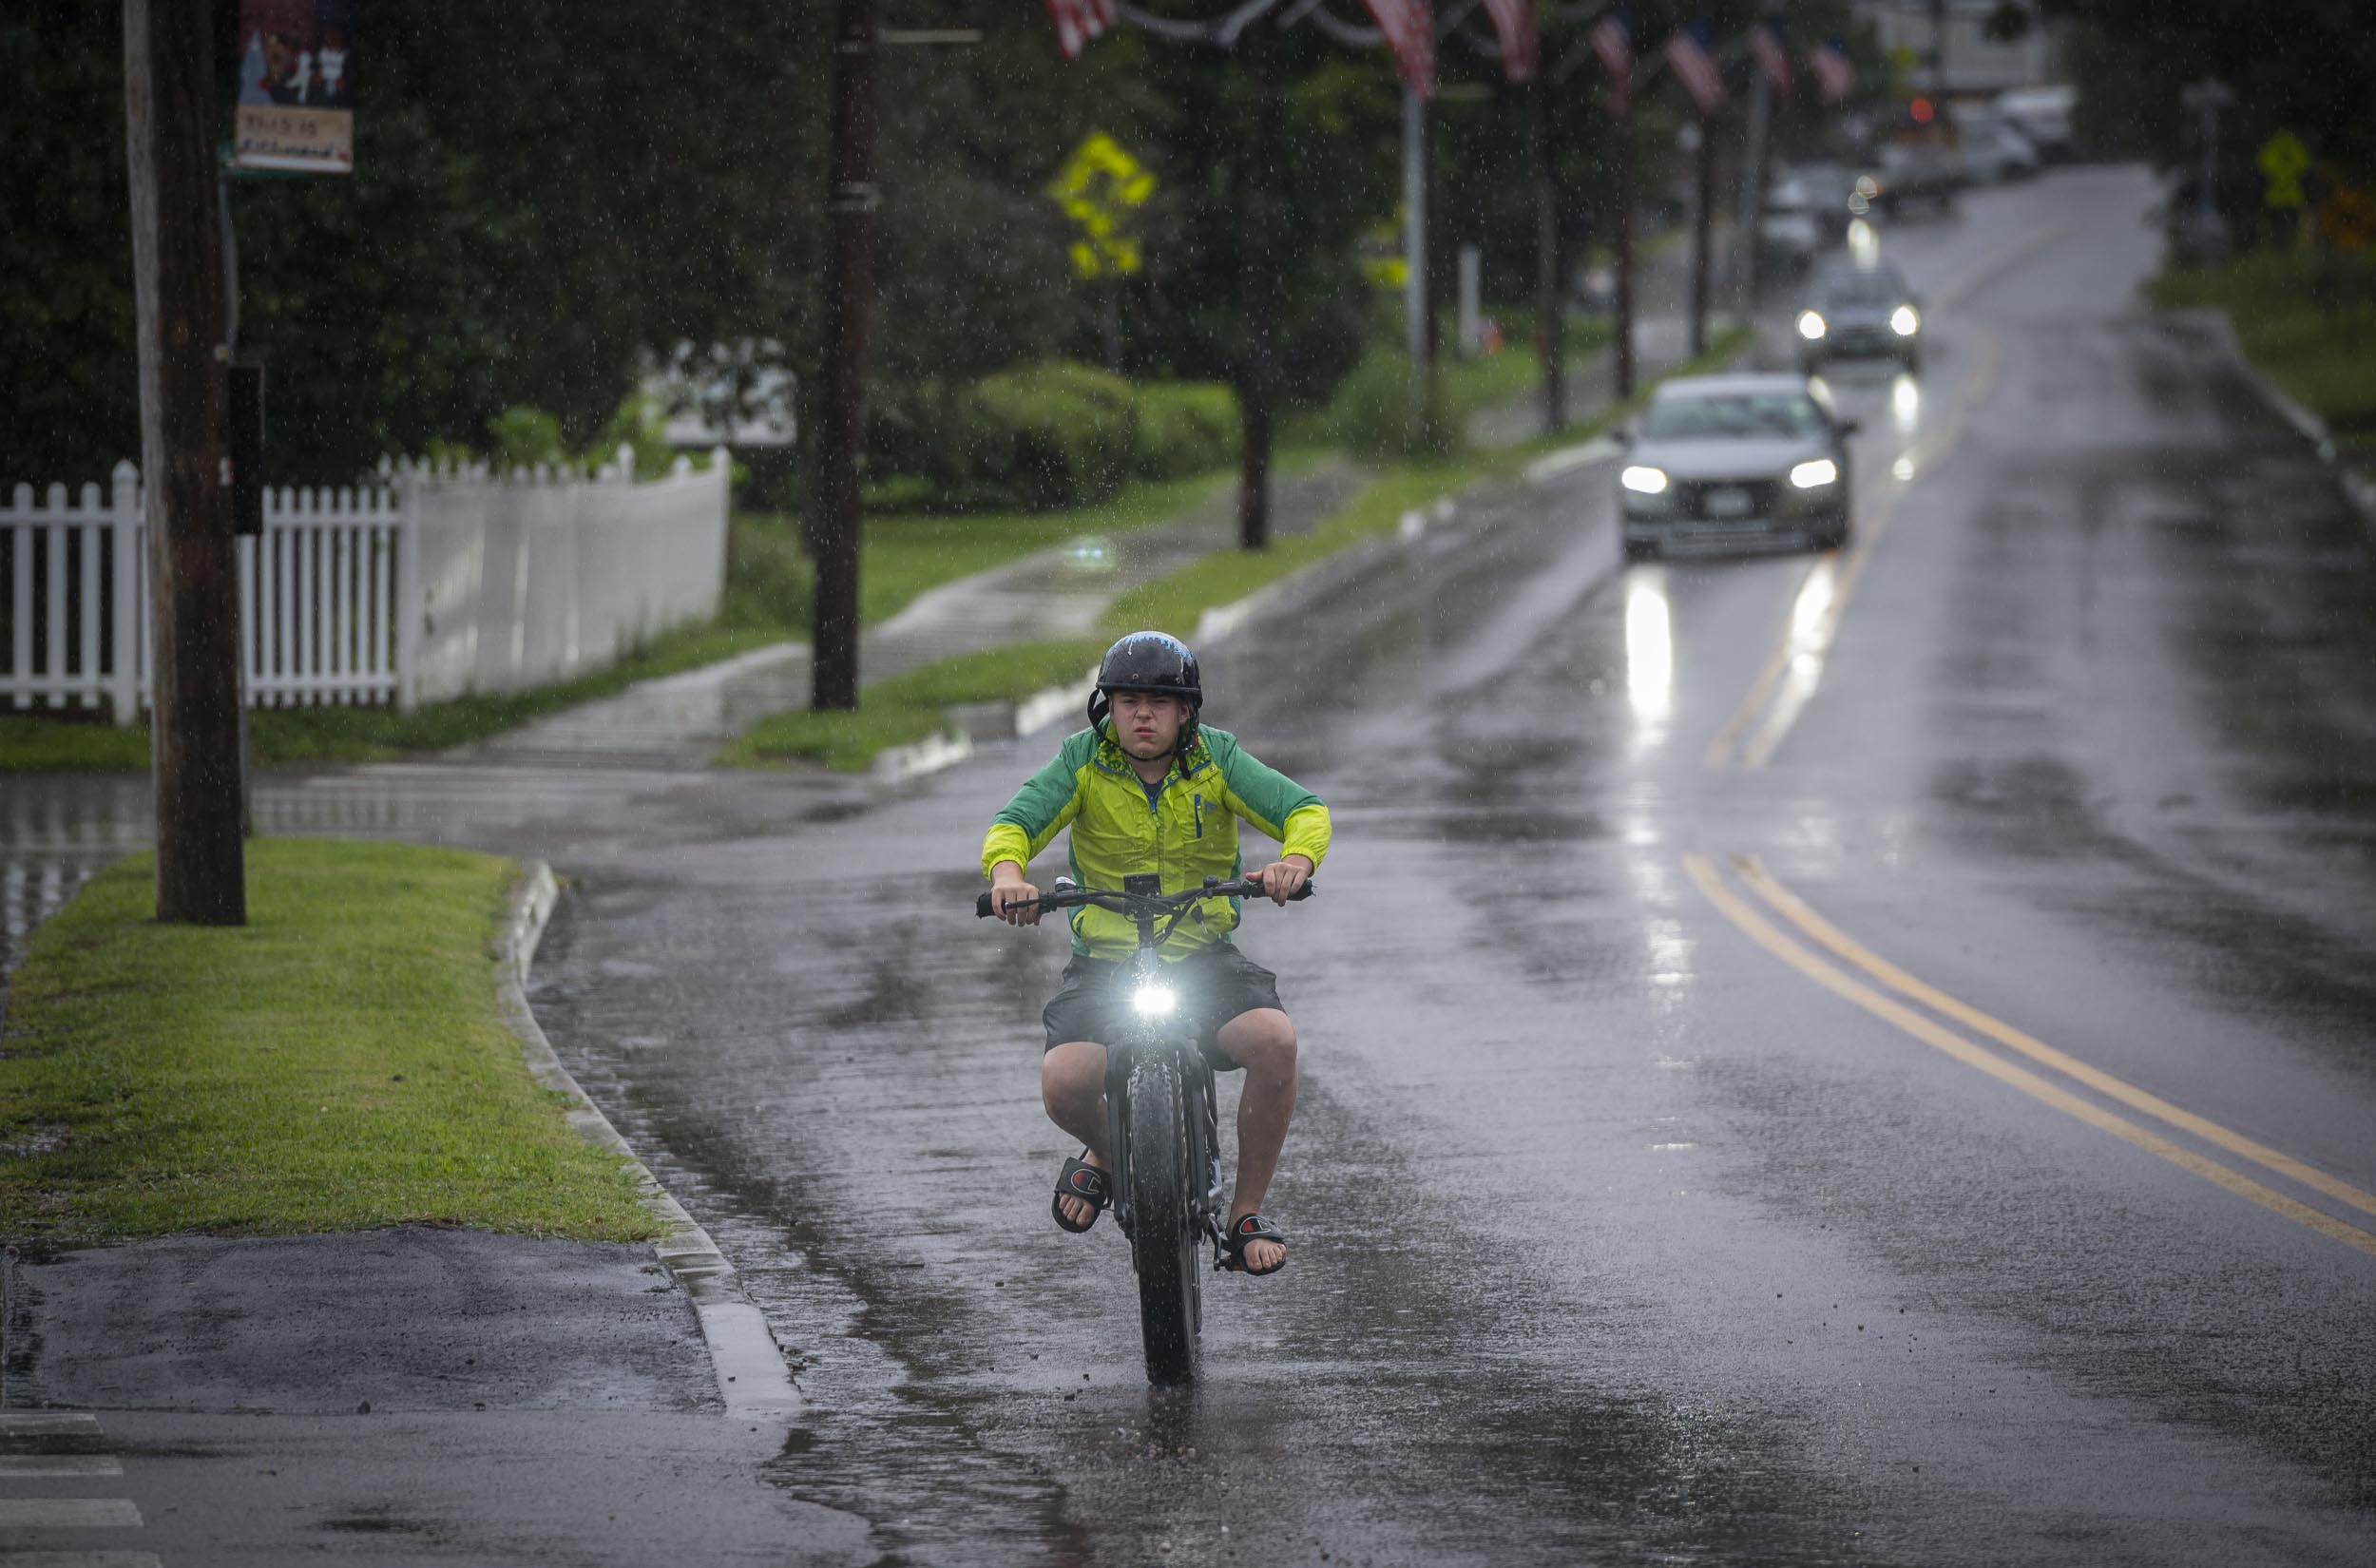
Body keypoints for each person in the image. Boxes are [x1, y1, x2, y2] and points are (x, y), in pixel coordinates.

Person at [981, 631, 1330, 1276]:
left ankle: (1244, 1213)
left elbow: (1303, 810)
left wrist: (1294, 862)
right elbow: (1015, 824)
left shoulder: (1216, 758)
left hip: (1202, 956)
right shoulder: (1081, 761)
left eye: (1161, 702)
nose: (1143, 714)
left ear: (1187, 712)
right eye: (1128, 700)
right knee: (1064, 1084)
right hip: (1107, 964)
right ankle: (1112, 1155)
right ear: (1105, 708)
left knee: (1275, 1041)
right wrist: (1008, 878)